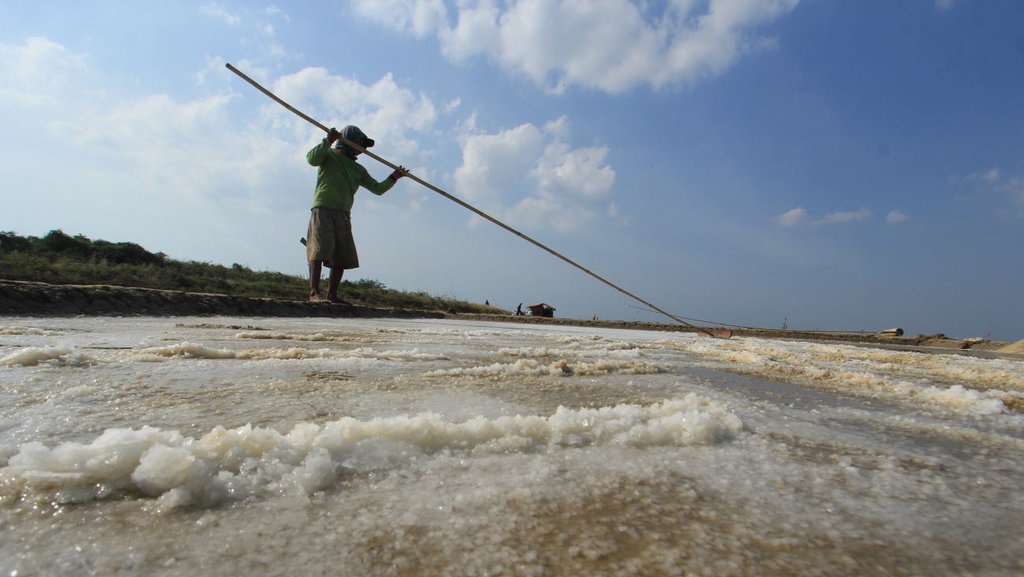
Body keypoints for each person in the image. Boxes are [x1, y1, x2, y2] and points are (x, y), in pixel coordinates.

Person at [305, 125, 406, 303]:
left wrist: (394, 177)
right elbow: (311, 159)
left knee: (342, 256)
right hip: (324, 208)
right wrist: (327, 141)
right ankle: (314, 293)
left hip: (343, 213)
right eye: (361, 144)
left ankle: (332, 295)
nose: (363, 149)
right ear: (348, 141)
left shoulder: (358, 169)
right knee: (319, 250)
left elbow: (378, 189)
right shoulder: (329, 155)